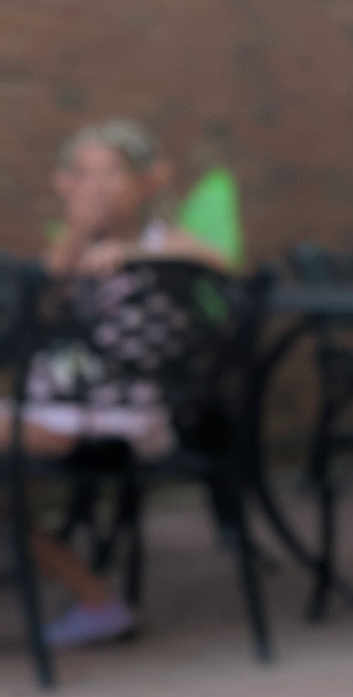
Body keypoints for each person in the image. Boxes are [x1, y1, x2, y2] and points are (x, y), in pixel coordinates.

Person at [3, 119, 232, 647]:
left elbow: (219, 266)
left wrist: (138, 256)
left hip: (120, 415)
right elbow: (33, 315)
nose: (97, 187)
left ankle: (95, 598)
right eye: (83, 174)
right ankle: (93, 596)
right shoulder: (73, 248)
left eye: (112, 173)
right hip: (57, 406)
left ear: (147, 183)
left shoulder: (164, 239)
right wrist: (79, 237)